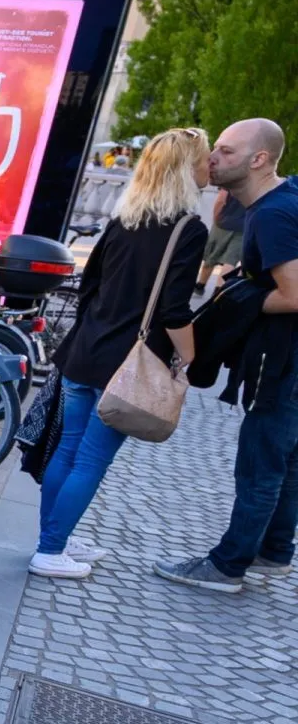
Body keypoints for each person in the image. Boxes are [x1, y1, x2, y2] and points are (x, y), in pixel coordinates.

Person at [31, 127, 208, 579]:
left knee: (68, 451)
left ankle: (55, 540)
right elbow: (173, 309)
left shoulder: (125, 218)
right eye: (204, 159)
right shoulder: (188, 229)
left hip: (86, 351)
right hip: (127, 366)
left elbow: (89, 288)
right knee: (89, 460)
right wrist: (190, 357)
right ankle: (50, 551)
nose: (210, 167)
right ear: (186, 171)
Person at [157, 118, 298, 592]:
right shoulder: (285, 197)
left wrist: (245, 297)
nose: (213, 158)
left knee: (261, 462)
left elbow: (295, 293)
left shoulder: (272, 214)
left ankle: (227, 566)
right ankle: (275, 551)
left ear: (259, 160)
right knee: (287, 460)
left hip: (283, 362)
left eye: (226, 151)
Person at [201, 187, 246, 290]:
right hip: (243, 227)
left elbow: (221, 200)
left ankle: (201, 284)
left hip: (223, 223)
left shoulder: (230, 180)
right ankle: (218, 289)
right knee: (231, 260)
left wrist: (216, 217)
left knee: (212, 254)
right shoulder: (256, 183)